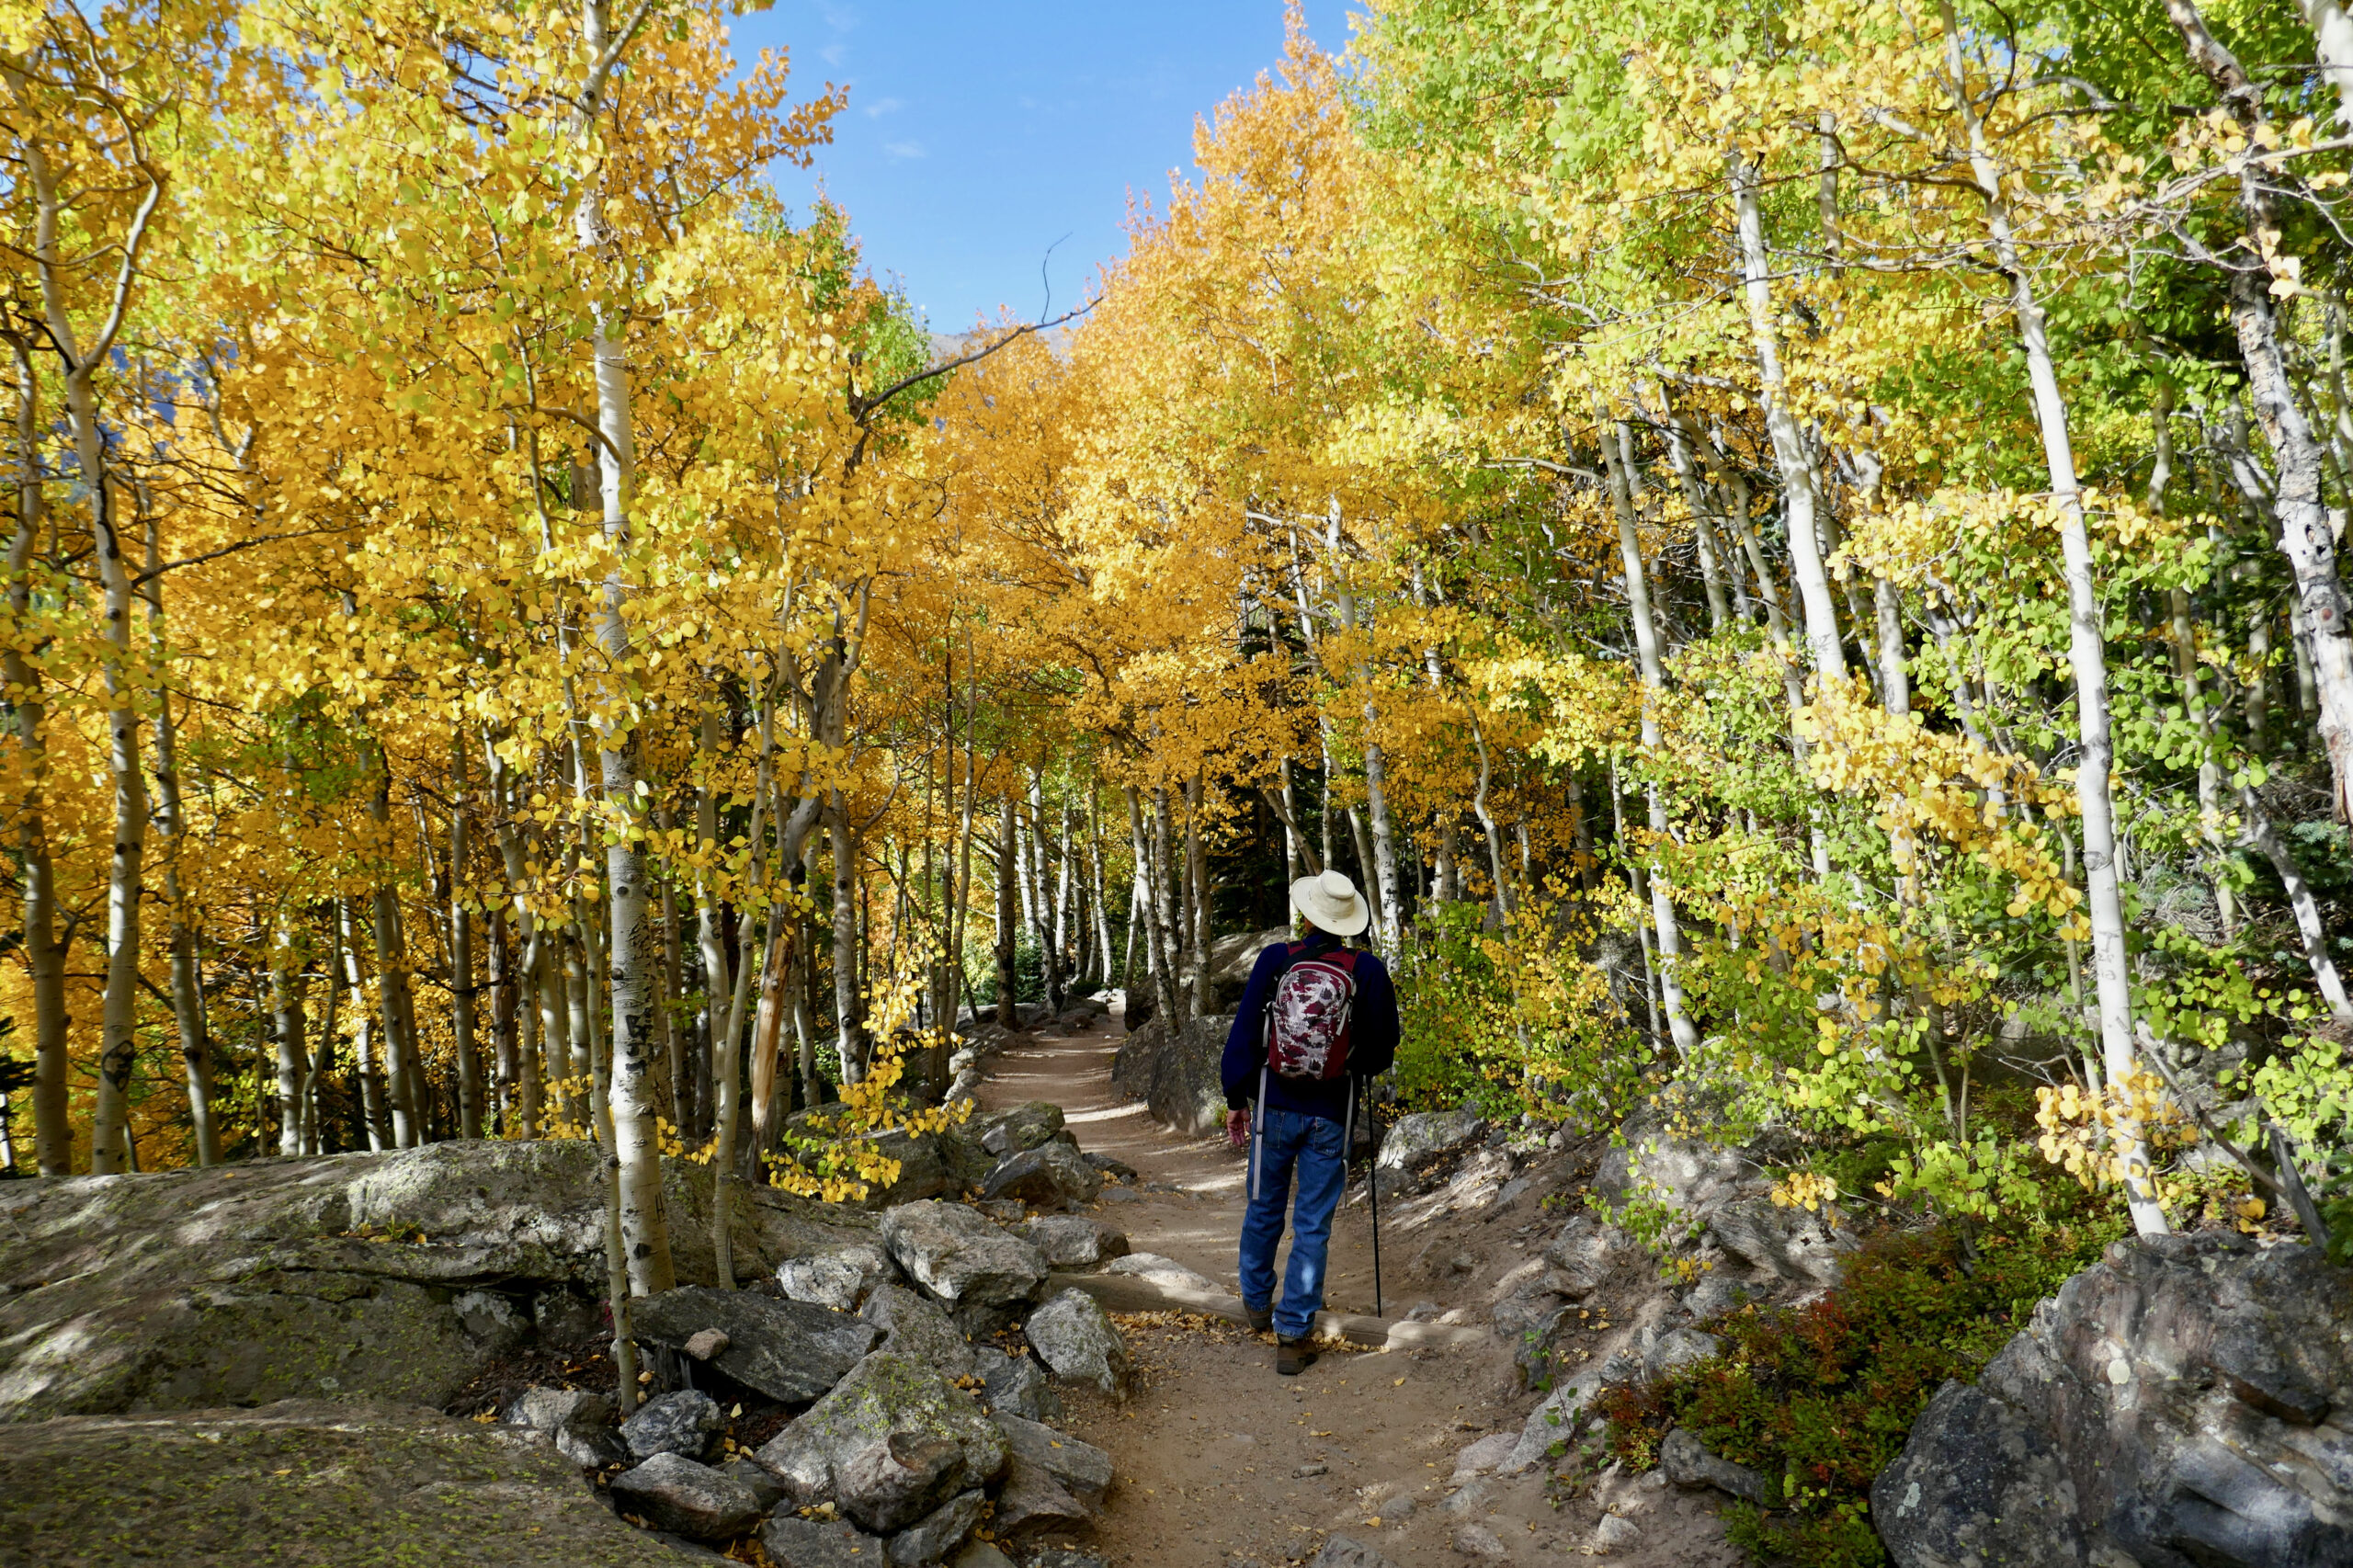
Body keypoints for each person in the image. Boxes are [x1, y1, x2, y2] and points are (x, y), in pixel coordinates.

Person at [1222, 869, 1398, 1375]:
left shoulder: (1276, 960)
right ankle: (1292, 1335)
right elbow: (1382, 1048)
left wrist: (1236, 1096)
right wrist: (1349, 1062)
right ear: (1348, 923)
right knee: (1312, 1224)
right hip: (1331, 1113)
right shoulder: (1367, 970)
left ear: (1306, 916)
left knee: (1263, 1207)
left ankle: (1258, 1304)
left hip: (1273, 1104)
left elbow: (1245, 1032)